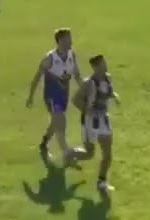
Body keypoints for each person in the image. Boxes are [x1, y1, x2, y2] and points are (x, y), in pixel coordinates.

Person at [25, 28, 83, 166]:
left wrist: (86, 89)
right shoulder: (49, 59)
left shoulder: (71, 55)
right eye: (68, 39)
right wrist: (31, 97)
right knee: (61, 121)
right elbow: (36, 78)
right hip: (52, 96)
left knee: (55, 123)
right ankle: (67, 154)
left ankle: (44, 142)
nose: (71, 42)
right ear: (60, 41)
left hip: (63, 95)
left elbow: (77, 76)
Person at [74, 54, 121, 195]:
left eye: (105, 63)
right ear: (95, 67)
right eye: (101, 64)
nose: (105, 66)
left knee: (107, 153)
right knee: (89, 154)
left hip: (103, 120)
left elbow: (108, 91)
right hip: (90, 122)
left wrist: (115, 96)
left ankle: (101, 182)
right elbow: (76, 100)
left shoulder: (107, 77)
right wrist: (88, 110)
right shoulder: (89, 83)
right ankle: (69, 155)